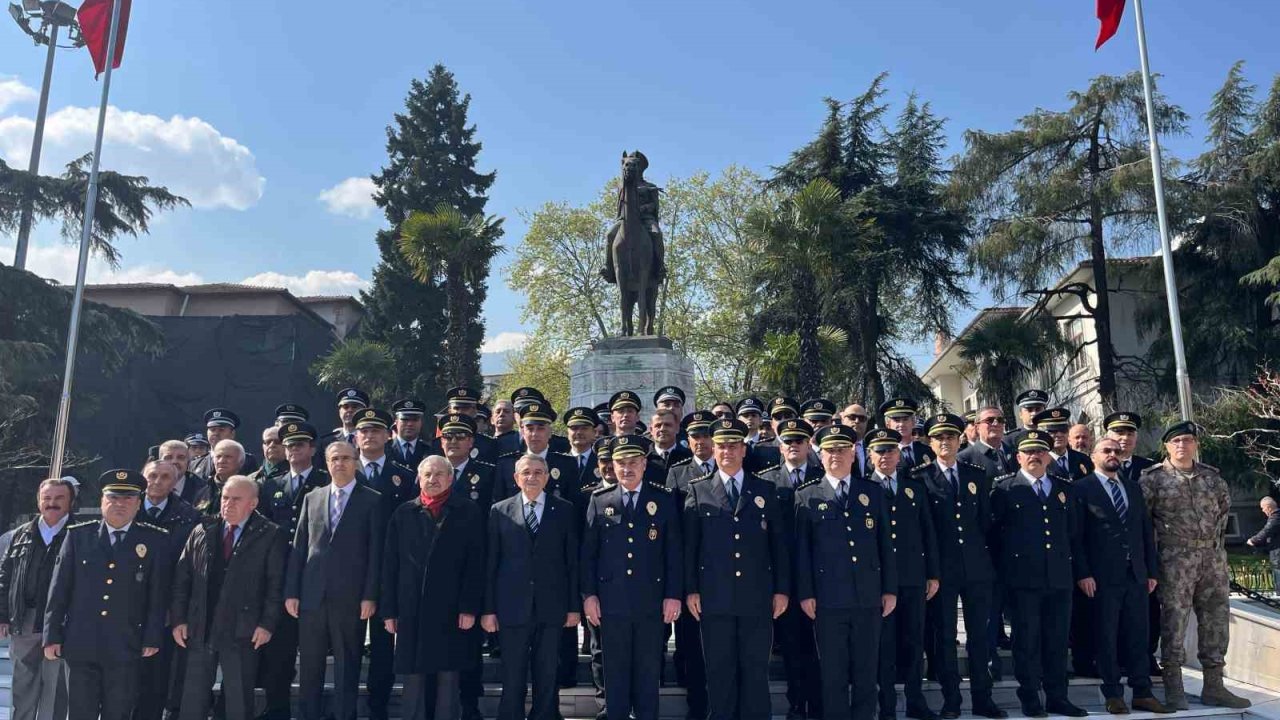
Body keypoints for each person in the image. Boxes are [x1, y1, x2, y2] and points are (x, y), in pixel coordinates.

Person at [42, 470, 172, 720]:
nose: (119, 504)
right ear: (102, 501)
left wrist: (152, 637)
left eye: (128, 499)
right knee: (81, 711)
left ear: (137, 503)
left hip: (126, 643)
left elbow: (157, 595)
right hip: (81, 642)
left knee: (119, 711)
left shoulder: (154, 540)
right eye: (113, 498)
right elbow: (59, 589)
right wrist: (52, 634)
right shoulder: (79, 535)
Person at [683, 417, 789, 720]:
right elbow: (690, 547)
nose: (727, 451)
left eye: (733, 445)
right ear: (714, 450)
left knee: (755, 670)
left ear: (744, 449)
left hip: (757, 597)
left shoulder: (764, 489)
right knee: (719, 670)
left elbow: (778, 546)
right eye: (721, 446)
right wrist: (691, 588)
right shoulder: (698, 490)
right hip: (714, 597)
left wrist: (781, 589)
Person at [1140, 422, 1251, 710]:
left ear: (1195, 444)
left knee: (1216, 621)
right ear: (1166, 446)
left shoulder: (1212, 479)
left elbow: (1223, 516)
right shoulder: (1153, 479)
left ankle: (1214, 686)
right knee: (1174, 623)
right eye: (1176, 441)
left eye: (1187, 440)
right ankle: (1174, 688)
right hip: (1175, 560)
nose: (1182, 445)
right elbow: (1143, 525)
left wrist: (1215, 551)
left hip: (1212, 560)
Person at [795, 424, 896, 720]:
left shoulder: (871, 492)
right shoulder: (808, 495)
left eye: (842, 450)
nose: (836, 455)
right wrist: (806, 593)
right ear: (821, 456)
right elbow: (802, 552)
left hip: (868, 597)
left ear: (853, 454)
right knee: (833, 672)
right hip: (828, 600)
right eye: (830, 451)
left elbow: (884, 545)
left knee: (866, 669)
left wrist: (889, 589)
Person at [581, 435, 683, 720]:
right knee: (615, 675)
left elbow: (673, 553)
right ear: (612, 465)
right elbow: (588, 555)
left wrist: (673, 595)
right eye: (621, 463)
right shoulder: (600, 500)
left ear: (644, 464)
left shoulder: (662, 499)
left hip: (651, 602)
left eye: (633, 462)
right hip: (611, 604)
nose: (627, 468)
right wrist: (588, 596)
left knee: (648, 674)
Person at [913, 415, 1004, 720]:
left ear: (959, 440)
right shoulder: (921, 478)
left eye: (950, 436)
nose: (945, 442)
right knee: (946, 638)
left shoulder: (975, 474)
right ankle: (951, 699)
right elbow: (924, 532)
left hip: (977, 568)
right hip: (943, 571)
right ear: (930, 442)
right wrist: (930, 572)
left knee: (979, 636)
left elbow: (984, 523)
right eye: (938, 438)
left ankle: (983, 698)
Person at [171, 476, 284, 720]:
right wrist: (179, 619)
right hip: (201, 624)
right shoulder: (203, 528)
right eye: (225, 498)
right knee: (193, 698)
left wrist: (266, 624)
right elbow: (183, 579)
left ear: (252, 503)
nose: (228, 504)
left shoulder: (270, 534)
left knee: (238, 699)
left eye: (236, 499)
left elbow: (275, 585)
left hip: (243, 627)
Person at [1070, 439, 1170, 714]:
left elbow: (1144, 532)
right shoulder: (1081, 489)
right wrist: (1084, 573)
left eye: (1116, 451)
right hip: (1102, 577)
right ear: (1093, 456)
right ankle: (1113, 692)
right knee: (1106, 635)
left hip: (1135, 575)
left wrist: (1150, 571)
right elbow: (1076, 538)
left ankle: (1142, 691)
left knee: (1138, 634)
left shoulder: (1132, 488)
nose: (1113, 454)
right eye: (1107, 451)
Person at [989, 431, 1084, 718]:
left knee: (1056, 641)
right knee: (1026, 641)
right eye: (1028, 452)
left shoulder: (1063, 488)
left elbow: (1073, 535)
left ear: (1047, 456)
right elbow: (994, 537)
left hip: (1058, 578)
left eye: (1040, 452)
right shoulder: (1004, 489)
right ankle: (1030, 697)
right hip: (1022, 581)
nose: (1035, 456)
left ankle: (1058, 697)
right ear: (1018, 457)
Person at [383, 455, 486, 720]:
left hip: (451, 608)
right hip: (411, 607)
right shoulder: (404, 513)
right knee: (414, 676)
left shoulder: (467, 511)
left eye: (440, 474)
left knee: (448, 677)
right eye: (428, 474)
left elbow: (476, 564)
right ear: (419, 478)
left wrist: (469, 607)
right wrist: (389, 611)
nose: (433, 479)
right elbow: (390, 565)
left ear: (451, 478)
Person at [286, 440, 383, 720]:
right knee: (311, 667)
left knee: (347, 665)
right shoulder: (312, 498)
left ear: (356, 462)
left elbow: (375, 553)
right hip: (312, 595)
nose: (339, 463)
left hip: (351, 598)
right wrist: (292, 591)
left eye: (345, 458)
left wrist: (369, 595)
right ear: (326, 463)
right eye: (333, 459)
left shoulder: (372, 499)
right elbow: (299, 548)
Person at [484, 454, 581, 720]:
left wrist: (574, 608)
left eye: (539, 472)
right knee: (512, 674)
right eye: (526, 472)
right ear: (516, 478)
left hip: (551, 606)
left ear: (547, 477)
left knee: (547, 673)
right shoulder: (499, 510)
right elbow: (492, 563)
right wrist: (489, 609)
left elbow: (571, 562)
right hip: (511, 607)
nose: (532, 477)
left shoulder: (564, 509)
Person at [256, 421, 330, 720]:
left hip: (317, 575)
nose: (293, 450)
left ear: (313, 448)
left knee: (316, 651)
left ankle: (314, 710)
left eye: (300, 444)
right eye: (288, 445)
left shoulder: (327, 483)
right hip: (280, 576)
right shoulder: (271, 484)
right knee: (279, 652)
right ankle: (278, 710)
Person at [864, 428, 939, 720]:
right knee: (884, 645)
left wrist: (932, 573)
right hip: (879, 581)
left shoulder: (914, 487)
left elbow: (927, 533)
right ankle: (887, 707)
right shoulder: (863, 488)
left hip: (911, 577)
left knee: (913, 641)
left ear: (899, 453)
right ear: (870, 456)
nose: (885, 456)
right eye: (879, 451)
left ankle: (915, 700)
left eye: (890, 450)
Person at [350, 407, 416, 720]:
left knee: (382, 646)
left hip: (389, 571)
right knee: (347, 644)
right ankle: (345, 706)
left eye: (376, 430)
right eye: (364, 430)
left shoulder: (403, 476)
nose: (370, 435)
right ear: (355, 436)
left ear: (388, 435)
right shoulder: (344, 473)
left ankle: (379, 707)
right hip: (350, 572)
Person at [434, 412, 500, 720]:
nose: (453, 441)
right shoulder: (430, 473)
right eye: (448, 436)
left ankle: (470, 704)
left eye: (460, 436)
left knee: (470, 642)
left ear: (472, 441)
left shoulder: (487, 474)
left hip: (474, 567)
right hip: (438, 574)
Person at [759, 418, 823, 720]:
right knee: (793, 648)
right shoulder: (767, 481)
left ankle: (820, 705)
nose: (793, 445)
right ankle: (797, 704)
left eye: (799, 440)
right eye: (788, 441)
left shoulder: (825, 477)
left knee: (822, 648)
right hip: (784, 577)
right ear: (779, 445)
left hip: (822, 576)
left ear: (809, 444)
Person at [0, 478, 75, 720]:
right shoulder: (19, 535)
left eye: (59, 498)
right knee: (22, 686)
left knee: (55, 689)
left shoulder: (80, 534)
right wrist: (2, 615)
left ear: (71, 502)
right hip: (24, 619)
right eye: (47, 498)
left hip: (61, 622)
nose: (52, 503)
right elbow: (5, 577)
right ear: (39, 500)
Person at [135, 460, 200, 720]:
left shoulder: (190, 516)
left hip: (164, 608)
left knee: (157, 678)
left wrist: (178, 612)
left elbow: (189, 569)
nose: (157, 481)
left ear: (175, 483)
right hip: (125, 605)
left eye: (165, 477)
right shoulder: (127, 506)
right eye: (152, 475)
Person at [1105, 411, 1161, 673]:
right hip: (1110, 556)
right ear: (1108, 436)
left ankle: (1146, 656)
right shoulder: (1097, 467)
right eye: (1118, 432)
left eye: (1129, 433)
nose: (1124, 438)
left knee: (1148, 612)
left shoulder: (1149, 468)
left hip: (1141, 552)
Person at [493, 402, 579, 504]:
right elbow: (499, 505)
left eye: (540, 428)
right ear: (523, 432)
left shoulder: (566, 464)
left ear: (550, 432)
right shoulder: (506, 464)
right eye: (530, 429)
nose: (535, 434)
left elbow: (574, 506)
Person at [1033, 409, 1093, 482]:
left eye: (1063, 430)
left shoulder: (1083, 459)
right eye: (1053, 431)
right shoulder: (1038, 463)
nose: (1059, 435)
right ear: (1043, 435)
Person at [199, 408, 261, 478]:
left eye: (221, 430)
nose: (216, 433)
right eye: (212, 430)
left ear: (232, 433)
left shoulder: (246, 461)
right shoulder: (196, 464)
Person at [878, 399, 935, 470]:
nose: (901, 424)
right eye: (896, 420)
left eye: (905, 419)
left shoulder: (929, 451)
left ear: (913, 422)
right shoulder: (882, 454)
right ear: (888, 425)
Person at [195, 439, 247, 516]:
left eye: (228, 457)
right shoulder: (202, 489)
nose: (221, 461)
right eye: (218, 456)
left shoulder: (249, 490)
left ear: (241, 461)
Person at [319, 387, 370, 455]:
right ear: (339, 411)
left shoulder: (371, 439)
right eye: (345, 407)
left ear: (364, 411)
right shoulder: (327, 441)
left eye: (355, 407)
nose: (350, 410)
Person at [1247, 496, 1280, 594]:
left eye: (1263, 508)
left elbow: (1266, 531)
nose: (1263, 511)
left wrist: (1253, 540)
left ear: (1269, 507)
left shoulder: (1276, 517)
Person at [388, 398, 430, 469]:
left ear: (421, 423)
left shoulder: (429, 451)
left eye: (415, 420)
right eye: (405, 419)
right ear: (396, 422)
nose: (410, 424)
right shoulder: (384, 449)